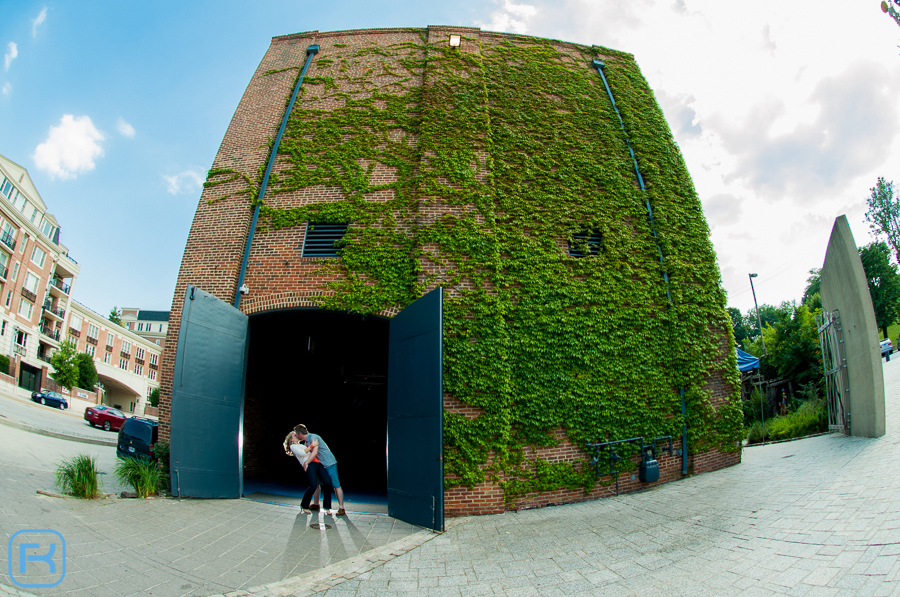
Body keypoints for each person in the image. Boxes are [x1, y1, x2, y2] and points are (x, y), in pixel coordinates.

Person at [293, 423, 346, 516]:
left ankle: (341, 507)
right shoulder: (306, 442)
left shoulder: (314, 437)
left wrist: (306, 463)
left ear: (299, 434)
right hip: (320, 465)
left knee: (335, 484)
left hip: (329, 463)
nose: (295, 435)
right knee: (317, 484)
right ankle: (316, 504)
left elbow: (315, 452)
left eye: (296, 434)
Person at [284, 430, 333, 513]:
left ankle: (327, 507)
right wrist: (311, 445)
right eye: (294, 435)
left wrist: (312, 446)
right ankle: (304, 505)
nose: (296, 435)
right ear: (291, 439)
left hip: (318, 463)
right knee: (313, 486)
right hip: (310, 465)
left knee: (328, 483)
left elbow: (311, 451)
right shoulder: (293, 447)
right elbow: (302, 453)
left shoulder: (302, 445)